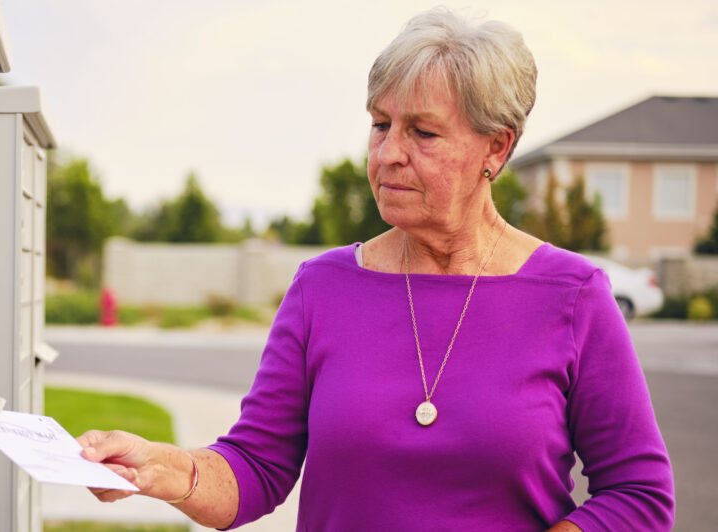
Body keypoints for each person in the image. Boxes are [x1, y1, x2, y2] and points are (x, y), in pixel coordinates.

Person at [77, 8, 675, 531]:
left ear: (495, 148)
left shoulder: (573, 295)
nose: (389, 152)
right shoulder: (323, 287)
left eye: (423, 132)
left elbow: (639, 496)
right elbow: (256, 468)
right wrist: (162, 468)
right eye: (380, 124)